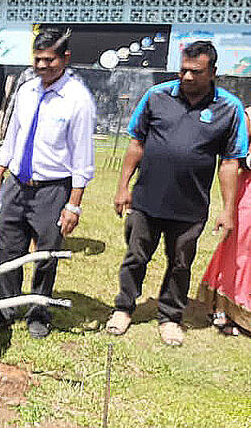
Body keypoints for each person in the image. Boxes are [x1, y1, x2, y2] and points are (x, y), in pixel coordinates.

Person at [107, 41, 248, 346]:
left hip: (190, 206)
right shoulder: (156, 96)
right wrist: (123, 188)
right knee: (135, 256)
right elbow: (136, 144)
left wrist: (227, 210)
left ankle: (170, 316)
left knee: (181, 263)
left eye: (195, 71)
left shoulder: (229, 108)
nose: (186, 76)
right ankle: (124, 307)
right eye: (183, 69)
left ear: (213, 72)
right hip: (146, 199)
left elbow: (229, 162)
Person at [0, 28, 96, 339]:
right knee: (6, 246)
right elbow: (13, 137)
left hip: (52, 189)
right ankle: (3, 306)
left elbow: (82, 157)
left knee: (46, 253)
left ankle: (38, 311)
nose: (43, 66)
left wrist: (73, 204)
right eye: (37, 60)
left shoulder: (78, 100)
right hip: (16, 184)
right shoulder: (27, 90)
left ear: (65, 58)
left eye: (50, 60)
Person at [198, 105, 251, 336]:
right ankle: (229, 309)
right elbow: (232, 158)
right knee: (241, 249)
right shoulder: (249, 116)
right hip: (248, 194)